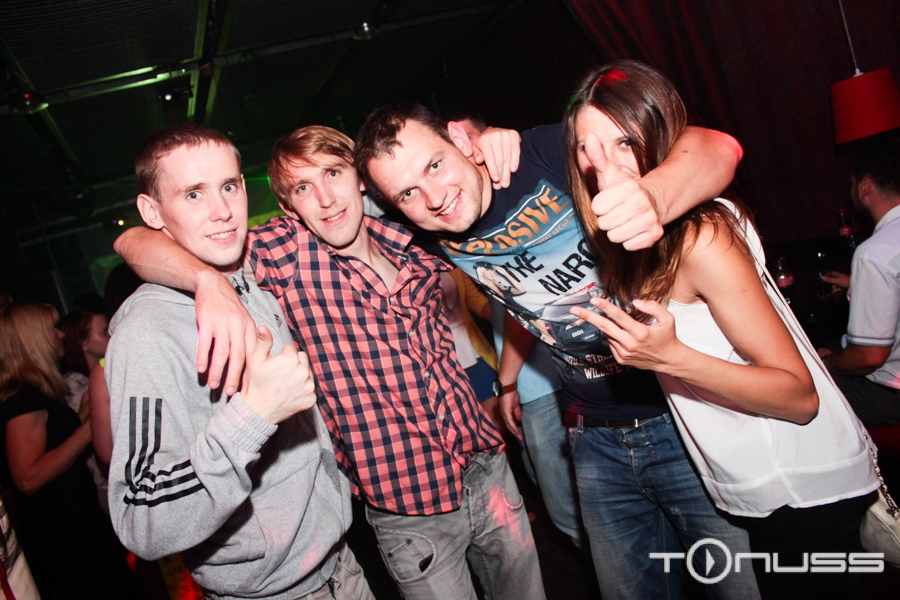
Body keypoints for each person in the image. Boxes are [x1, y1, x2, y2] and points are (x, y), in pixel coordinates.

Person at [113, 125, 545, 600]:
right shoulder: (284, 256)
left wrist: (489, 140)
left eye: (334, 174)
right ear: (288, 207)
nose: (324, 198)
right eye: (303, 188)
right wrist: (205, 281)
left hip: (485, 470)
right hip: (409, 506)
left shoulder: (410, 231)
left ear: (360, 177)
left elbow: (463, 184)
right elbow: (131, 242)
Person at [353, 102, 758, 599]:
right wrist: (507, 380)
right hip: (594, 435)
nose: (434, 198)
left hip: (683, 412)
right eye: (408, 193)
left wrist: (650, 199)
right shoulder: (430, 237)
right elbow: (527, 297)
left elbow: (717, 145)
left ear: (460, 139)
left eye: (434, 164)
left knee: (737, 587)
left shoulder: (543, 153)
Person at [565, 60, 880, 600]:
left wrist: (669, 357)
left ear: (662, 139)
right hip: (764, 494)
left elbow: (798, 396)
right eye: (586, 148)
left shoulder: (699, 236)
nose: (604, 164)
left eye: (624, 142)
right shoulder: (640, 243)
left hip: (801, 488)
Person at [105, 123, 367, 600]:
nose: (222, 211)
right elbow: (139, 517)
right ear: (152, 211)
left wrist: (211, 281)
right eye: (193, 195)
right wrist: (254, 415)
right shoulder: (146, 331)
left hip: (341, 565)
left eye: (228, 187)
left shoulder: (248, 273)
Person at [0, 303, 139, 600]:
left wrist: (81, 417)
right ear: (32, 340)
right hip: (64, 536)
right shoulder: (24, 397)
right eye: (51, 329)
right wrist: (90, 427)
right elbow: (27, 477)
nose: (61, 334)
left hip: (75, 526)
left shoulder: (37, 390)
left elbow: (50, 445)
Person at [818, 140, 900, 427]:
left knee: (806, 396)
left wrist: (826, 364)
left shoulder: (875, 253)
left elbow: (869, 357)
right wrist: (858, 283)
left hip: (889, 394)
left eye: (852, 183)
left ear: (865, 187)